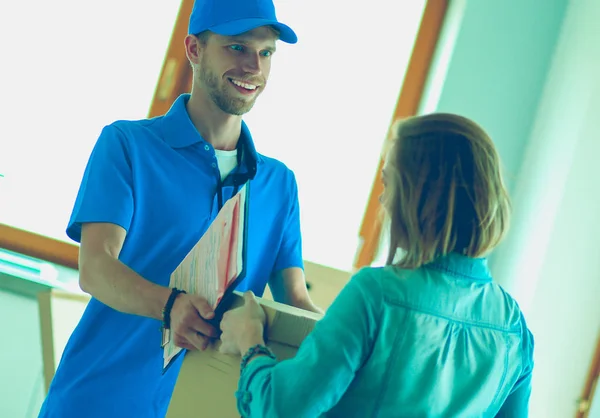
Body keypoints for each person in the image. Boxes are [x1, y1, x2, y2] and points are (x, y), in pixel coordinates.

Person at [38, 0, 322, 417]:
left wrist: (361, 336)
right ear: (194, 49)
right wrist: (171, 305)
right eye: (237, 48)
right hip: (98, 401)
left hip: (203, 406)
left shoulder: (279, 185)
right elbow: (95, 267)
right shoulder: (127, 146)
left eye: (265, 53)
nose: (254, 68)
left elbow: (294, 298)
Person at [220, 113, 535, 417]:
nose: (384, 201)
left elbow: (282, 409)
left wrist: (250, 342)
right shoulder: (515, 329)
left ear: (417, 196)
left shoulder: (376, 294)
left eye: (389, 183)